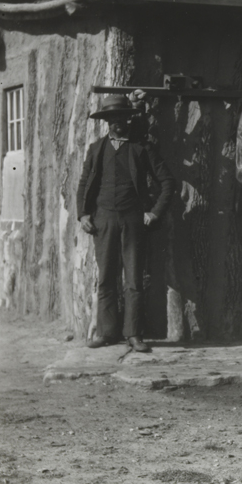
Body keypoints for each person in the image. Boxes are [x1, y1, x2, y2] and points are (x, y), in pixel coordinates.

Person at [77, 93, 175, 352]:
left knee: (133, 280)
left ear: (128, 119)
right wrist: (83, 214)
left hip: (133, 221)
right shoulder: (96, 149)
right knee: (106, 278)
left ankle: (133, 334)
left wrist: (154, 213)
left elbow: (167, 182)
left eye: (120, 118)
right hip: (103, 220)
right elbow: (84, 183)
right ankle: (106, 332)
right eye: (111, 118)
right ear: (106, 121)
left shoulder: (142, 148)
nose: (116, 123)